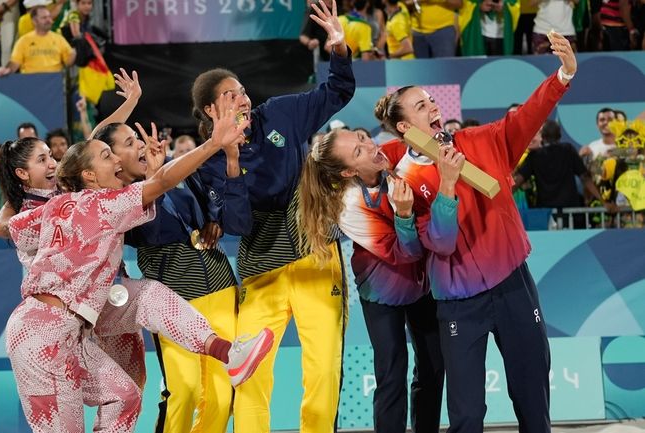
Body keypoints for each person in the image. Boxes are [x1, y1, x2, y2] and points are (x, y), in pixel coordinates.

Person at [4, 95, 272, 432]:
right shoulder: (103, 204)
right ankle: (227, 353)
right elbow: (160, 183)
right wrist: (213, 144)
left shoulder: (53, 208)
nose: (116, 159)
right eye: (107, 156)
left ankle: (228, 353)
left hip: (78, 328)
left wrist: (21, 211)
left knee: (124, 394)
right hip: (42, 335)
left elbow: (11, 229)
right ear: (89, 175)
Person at [371, 31, 577, 433]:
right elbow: (438, 244)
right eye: (421, 105)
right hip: (458, 304)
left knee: (532, 398)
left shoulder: (479, 141)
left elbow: (526, 116)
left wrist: (563, 75)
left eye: (431, 100)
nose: (432, 106)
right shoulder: (404, 181)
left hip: (513, 286)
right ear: (403, 125)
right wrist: (445, 188)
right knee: (466, 415)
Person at [192, 2, 354, 432]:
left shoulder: (279, 114)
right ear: (211, 111)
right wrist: (229, 159)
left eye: (243, 91)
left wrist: (338, 47)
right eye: (231, 96)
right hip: (261, 268)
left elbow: (336, 92)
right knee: (250, 377)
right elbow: (239, 224)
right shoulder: (206, 163)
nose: (244, 98)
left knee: (322, 370)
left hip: (315, 255)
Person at [297, 129, 464, 432]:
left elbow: (419, 148)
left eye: (362, 137)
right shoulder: (348, 205)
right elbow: (408, 252)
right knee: (391, 371)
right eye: (358, 152)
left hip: (421, 285)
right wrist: (403, 214)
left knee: (433, 366)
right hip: (382, 292)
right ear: (349, 171)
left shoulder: (393, 162)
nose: (369, 146)